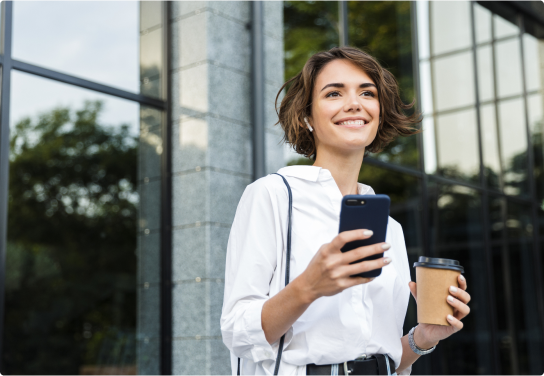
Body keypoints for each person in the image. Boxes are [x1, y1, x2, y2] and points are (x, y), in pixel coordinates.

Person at [220, 46, 471, 376]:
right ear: (307, 116)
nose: (354, 103)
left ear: (378, 112)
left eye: (367, 92)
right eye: (334, 93)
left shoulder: (389, 228)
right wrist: (308, 287)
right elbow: (237, 331)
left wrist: (422, 338)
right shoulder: (273, 195)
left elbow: (386, 359)